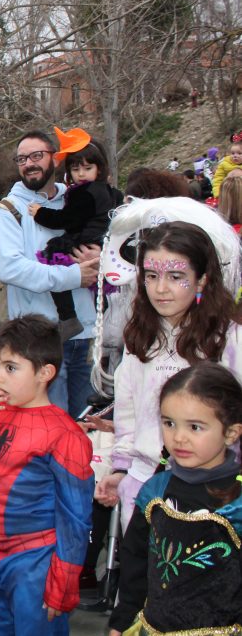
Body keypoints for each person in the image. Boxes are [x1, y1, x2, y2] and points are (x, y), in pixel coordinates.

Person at [0, 315, 94, 635]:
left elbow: (76, 518)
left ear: (45, 373)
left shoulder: (64, 435)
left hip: (35, 560)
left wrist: (63, 582)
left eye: (11, 368)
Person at [94, 222, 242, 529]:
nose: (161, 288)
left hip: (215, 493)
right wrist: (121, 469)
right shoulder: (139, 339)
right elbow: (128, 412)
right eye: (151, 276)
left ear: (202, 280)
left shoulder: (228, 342)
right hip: (144, 488)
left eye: (175, 276)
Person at [108, 362, 242, 635]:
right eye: (169, 423)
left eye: (195, 427)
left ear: (231, 433)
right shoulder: (155, 491)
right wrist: (121, 621)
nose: (179, 437)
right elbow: (135, 562)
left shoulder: (237, 502)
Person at [0, 129, 101, 416]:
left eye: (37, 156)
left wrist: (101, 258)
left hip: (87, 334)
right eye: (22, 159)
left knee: (88, 424)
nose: (29, 164)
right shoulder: (9, 211)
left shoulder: (77, 200)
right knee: (50, 426)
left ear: (56, 158)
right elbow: (12, 269)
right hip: (40, 342)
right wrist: (73, 276)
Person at [27, 129, 123, 341]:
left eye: (87, 168)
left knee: (52, 257)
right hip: (103, 241)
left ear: (99, 168)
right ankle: (103, 313)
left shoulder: (84, 193)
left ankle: (67, 316)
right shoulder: (110, 191)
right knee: (97, 286)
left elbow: (66, 219)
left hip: (86, 238)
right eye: (76, 169)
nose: (81, 174)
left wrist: (40, 213)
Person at [211, 133, 242, 197]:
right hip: (228, 195)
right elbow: (217, 179)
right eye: (233, 153)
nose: (235, 156)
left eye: (239, 153)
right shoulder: (224, 164)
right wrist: (218, 194)